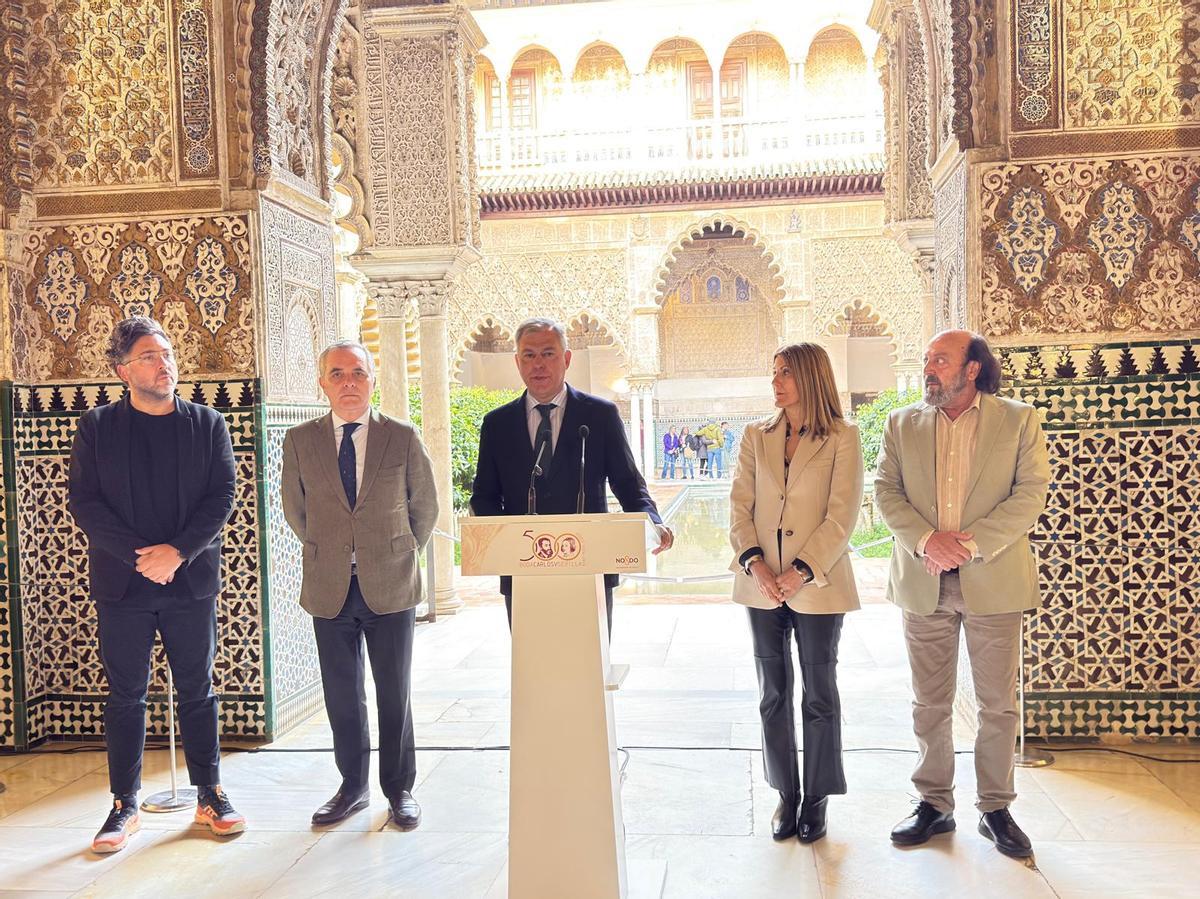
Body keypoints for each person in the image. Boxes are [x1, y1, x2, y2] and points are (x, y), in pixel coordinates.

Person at [68, 316, 244, 853]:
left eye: (166, 353)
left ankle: (210, 794)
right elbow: (85, 501)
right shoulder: (96, 427)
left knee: (198, 689)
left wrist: (178, 552)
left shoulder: (207, 423)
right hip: (124, 584)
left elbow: (222, 496)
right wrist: (140, 557)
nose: (163, 363)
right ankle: (124, 804)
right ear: (123, 370)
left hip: (189, 582)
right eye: (148, 356)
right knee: (125, 694)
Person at [875, 330, 1049, 860]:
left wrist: (968, 546)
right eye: (927, 359)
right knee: (929, 701)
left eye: (941, 360)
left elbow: (1030, 494)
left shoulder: (1018, 420)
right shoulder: (901, 423)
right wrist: (929, 541)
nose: (929, 368)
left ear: (972, 369)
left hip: (993, 578)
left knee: (997, 705)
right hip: (922, 577)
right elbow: (886, 491)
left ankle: (995, 808)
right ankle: (934, 803)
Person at [281, 340, 438, 830]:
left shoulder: (402, 437)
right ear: (322, 383)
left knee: (395, 692)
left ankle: (400, 789)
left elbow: (425, 507)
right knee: (342, 695)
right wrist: (334, 549)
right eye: (337, 373)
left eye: (357, 373)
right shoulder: (300, 440)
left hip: (389, 583)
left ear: (373, 380)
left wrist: (393, 549)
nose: (348, 382)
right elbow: (296, 510)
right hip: (329, 585)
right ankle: (352, 787)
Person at [729, 343, 862, 845]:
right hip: (760, 585)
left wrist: (800, 572)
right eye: (774, 373)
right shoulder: (755, 436)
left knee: (820, 694)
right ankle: (785, 794)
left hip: (817, 586)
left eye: (786, 373)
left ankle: (817, 798)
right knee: (773, 693)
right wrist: (756, 564)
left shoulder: (842, 438)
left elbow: (842, 515)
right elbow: (740, 506)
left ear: (811, 377)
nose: (777, 382)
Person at [470, 318, 674, 631]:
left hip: (588, 569)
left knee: (589, 673)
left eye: (548, 354)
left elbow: (629, 484)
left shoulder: (600, 415)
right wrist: (502, 542)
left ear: (566, 359)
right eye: (529, 355)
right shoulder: (496, 424)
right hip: (523, 572)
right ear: (517, 362)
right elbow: (484, 496)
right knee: (533, 672)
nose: (538, 364)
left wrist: (653, 522)